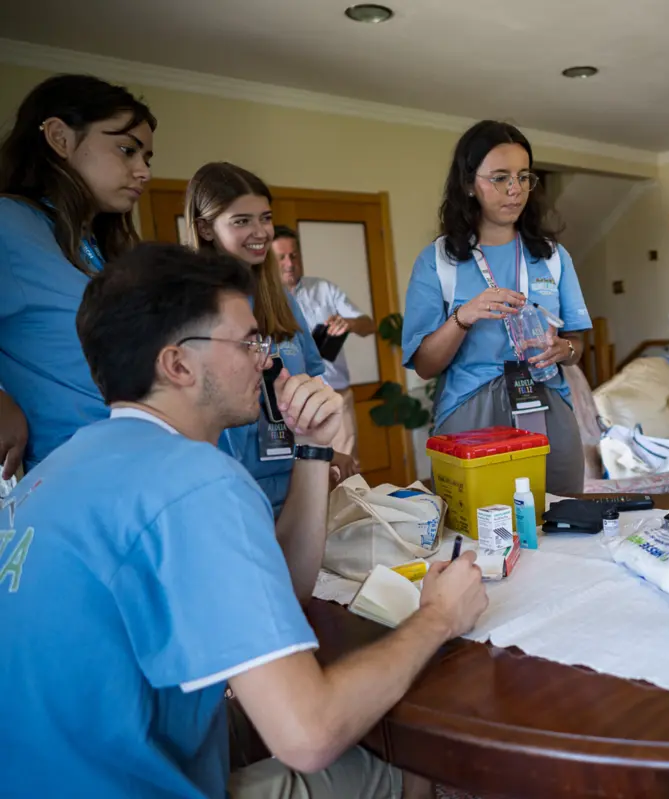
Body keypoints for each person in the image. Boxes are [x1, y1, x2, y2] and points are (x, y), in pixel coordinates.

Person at [0, 242, 488, 798]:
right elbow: (309, 733)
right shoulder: (195, 478)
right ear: (178, 364)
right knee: (421, 769)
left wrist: (311, 453)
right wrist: (439, 618)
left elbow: (280, 584)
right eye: (249, 341)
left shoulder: (62, 467)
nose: (266, 358)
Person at [402, 120, 591, 494]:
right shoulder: (438, 261)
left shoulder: (553, 257)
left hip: (547, 404)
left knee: (563, 525)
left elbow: (578, 344)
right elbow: (424, 365)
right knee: (481, 537)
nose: (515, 190)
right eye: (500, 177)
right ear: (468, 183)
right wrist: (463, 317)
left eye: (523, 177)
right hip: (470, 412)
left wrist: (563, 350)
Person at [0, 74, 154, 474]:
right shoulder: (9, 223)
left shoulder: (104, 247)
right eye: (127, 150)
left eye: (146, 158)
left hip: (142, 462)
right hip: (72, 475)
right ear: (60, 138)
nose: (143, 172)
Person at [182, 162, 354, 513]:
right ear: (205, 228)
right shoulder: (188, 304)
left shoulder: (280, 298)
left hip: (296, 481)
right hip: (230, 489)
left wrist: (325, 452)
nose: (260, 231)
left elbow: (309, 381)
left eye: (265, 217)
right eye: (241, 221)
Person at [273, 224, 375, 467]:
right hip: (287, 402)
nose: (289, 263)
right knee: (301, 473)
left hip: (334, 394)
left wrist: (348, 323)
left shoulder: (323, 289)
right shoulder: (262, 299)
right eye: (281, 257)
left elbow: (368, 325)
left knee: (347, 468)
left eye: (294, 255)